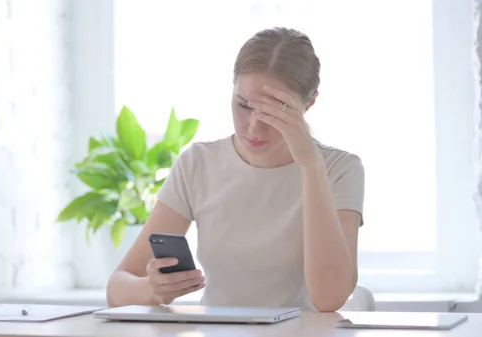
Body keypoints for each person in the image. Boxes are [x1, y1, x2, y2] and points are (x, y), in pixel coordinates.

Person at [106, 27, 364, 312]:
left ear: (309, 102)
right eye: (243, 105)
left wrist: (310, 164)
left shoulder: (340, 170)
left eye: (275, 112)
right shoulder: (198, 163)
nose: (254, 127)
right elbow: (117, 289)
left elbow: (329, 298)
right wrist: (152, 289)